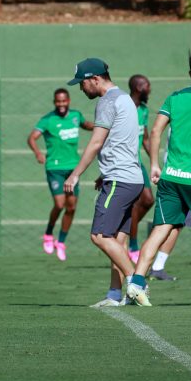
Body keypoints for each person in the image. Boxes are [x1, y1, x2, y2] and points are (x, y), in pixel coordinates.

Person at [125, 51, 191, 306]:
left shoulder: (175, 97)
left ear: (189, 74)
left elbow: (155, 130)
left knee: (160, 230)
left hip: (171, 177)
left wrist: (153, 164)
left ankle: (137, 284)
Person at [63, 58, 144, 307]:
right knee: (116, 241)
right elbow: (122, 141)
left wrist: (75, 174)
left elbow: (97, 142)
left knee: (99, 236)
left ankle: (137, 283)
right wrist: (104, 172)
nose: (81, 88)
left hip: (120, 179)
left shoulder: (107, 101)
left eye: (82, 83)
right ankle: (114, 294)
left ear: (95, 79)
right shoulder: (124, 99)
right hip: (130, 177)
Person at [27, 88, 93, 261]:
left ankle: (61, 242)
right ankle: (48, 233)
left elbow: (86, 125)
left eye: (64, 101)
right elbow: (32, 137)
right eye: (58, 101)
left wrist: (103, 125)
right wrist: (38, 153)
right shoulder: (48, 120)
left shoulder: (76, 116)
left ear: (69, 101)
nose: (61, 104)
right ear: (54, 102)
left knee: (71, 207)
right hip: (55, 168)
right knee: (60, 203)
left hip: (73, 168)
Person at [127, 75, 154, 263]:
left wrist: (155, 163)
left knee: (148, 200)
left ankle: (128, 226)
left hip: (138, 163)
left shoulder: (143, 111)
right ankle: (133, 246)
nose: (150, 90)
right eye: (147, 86)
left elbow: (145, 139)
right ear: (138, 87)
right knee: (137, 202)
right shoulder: (123, 107)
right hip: (124, 163)